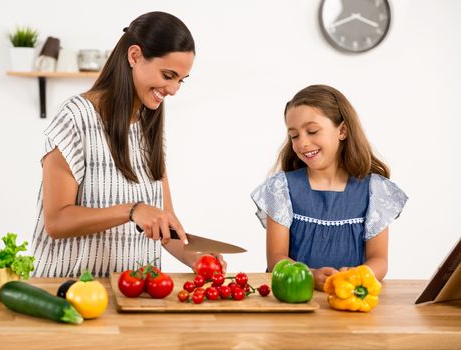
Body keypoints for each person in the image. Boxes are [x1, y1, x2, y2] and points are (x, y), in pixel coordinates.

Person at [31, 11, 226, 277]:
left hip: (131, 294)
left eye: (181, 80)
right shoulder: (76, 117)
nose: (173, 90)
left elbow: (164, 225)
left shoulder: (150, 127)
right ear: (134, 56)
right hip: (68, 291)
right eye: (168, 75)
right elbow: (56, 221)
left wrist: (196, 258)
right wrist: (132, 211)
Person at [251, 84, 407, 290]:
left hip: (350, 303)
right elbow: (276, 259)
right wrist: (309, 276)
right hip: (295, 302)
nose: (302, 143)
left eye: (312, 131)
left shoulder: (374, 191)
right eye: (294, 135)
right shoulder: (281, 188)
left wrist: (356, 276)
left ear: (342, 130)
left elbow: (379, 260)